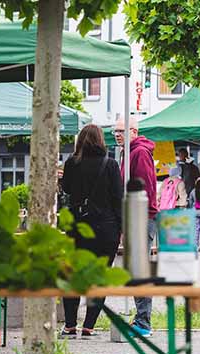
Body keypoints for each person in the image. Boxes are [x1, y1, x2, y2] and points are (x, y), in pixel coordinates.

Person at [59, 124, 123, 338]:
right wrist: (121, 228)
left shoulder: (71, 163)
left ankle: (69, 325)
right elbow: (118, 199)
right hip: (106, 229)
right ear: (101, 141)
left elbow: (66, 189)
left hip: (78, 227)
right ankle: (89, 326)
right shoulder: (111, 165)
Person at [113, 117, 157, 337]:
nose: (117, 135)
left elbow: (147, 186)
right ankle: (141, 320)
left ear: (133, 131)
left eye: (121, 131)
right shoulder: (128, 152)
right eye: (114, 132)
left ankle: (143, 322)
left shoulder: (138, 153)